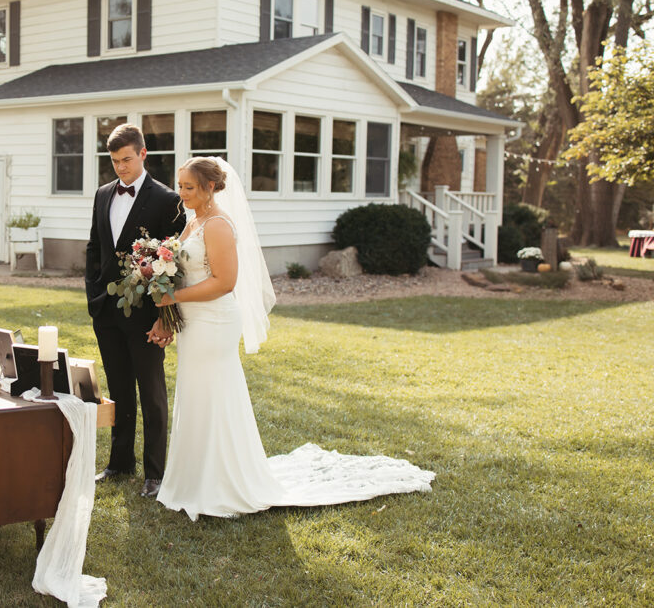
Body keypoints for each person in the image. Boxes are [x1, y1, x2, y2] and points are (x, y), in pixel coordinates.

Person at [154, 157, 435, 521]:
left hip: (214, 323)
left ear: (209, 187)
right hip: (193, 323)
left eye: (189, 187)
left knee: (214, 394)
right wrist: (167, 306)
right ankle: (191, 480)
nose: (182, 193)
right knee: (194, 395)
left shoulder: (219, 225)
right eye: (180, 185)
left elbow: (224, 282)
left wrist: (172, 298)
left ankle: (221, 484)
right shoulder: (193, 221)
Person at [85, 123, 186, 498]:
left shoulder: (166, 200)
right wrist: (94, 295)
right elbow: (94, 248)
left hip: (146, 314)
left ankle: (155, 473)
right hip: (106, 311)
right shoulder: (101, 194)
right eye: (114, 161)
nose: (121, 168)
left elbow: (176, 263)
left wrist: (164, 315)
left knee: (152, 392)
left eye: (127, 159)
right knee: (119, 389)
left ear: (143, 154)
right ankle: (120, 462)